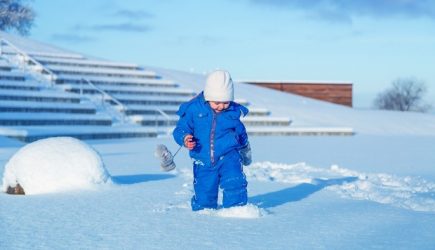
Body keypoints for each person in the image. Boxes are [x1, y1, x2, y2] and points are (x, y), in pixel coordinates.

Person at [173, 70, 252, 211]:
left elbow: (241, 133)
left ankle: (237, 210)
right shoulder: (193, 110)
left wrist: (245, 149)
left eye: (226, 102)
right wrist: (185, 138)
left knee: (234, 182)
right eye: (217, 102)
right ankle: (204, 214)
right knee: (205, 192)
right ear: (208, 96)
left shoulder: (232, 112)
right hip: (203, 158)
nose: (221, 106)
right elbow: (180, 129)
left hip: (229, 156)